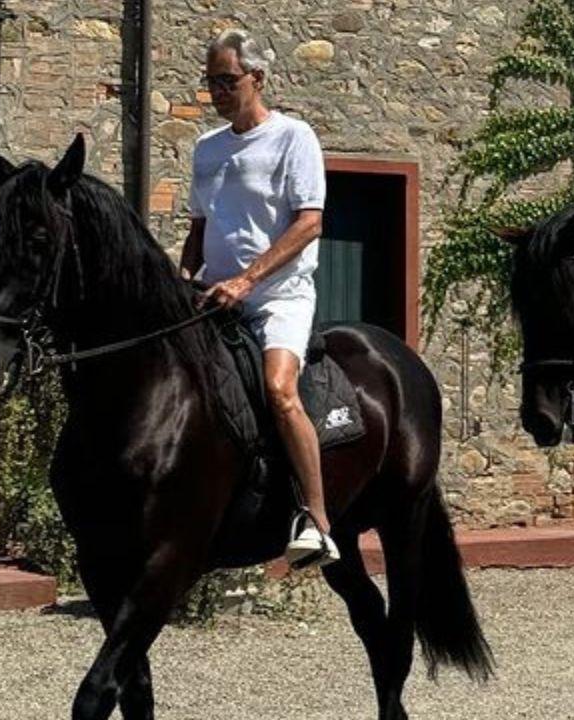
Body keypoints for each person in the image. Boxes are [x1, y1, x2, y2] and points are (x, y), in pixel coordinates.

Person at [180, 29, 339, 566]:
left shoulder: (294, 137)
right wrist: (181, 280)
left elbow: (309, 223)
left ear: (258, 78)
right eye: (211, 83)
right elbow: (199, 228)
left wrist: (248, 280)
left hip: (278, 296)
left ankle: (316, 519)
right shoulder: (206, 148)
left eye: (227, 81)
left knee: (278, 390)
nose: (218, 92)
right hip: (213, 297)